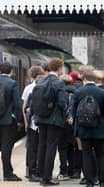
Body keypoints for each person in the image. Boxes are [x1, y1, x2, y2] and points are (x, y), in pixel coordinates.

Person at [33, 58, 67, 186]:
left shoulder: (40, 81)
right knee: (51, 148)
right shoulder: (59, 83)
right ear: (59, 69)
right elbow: (63, 103)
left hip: (41, 118)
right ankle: (47, 178)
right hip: (54, 120)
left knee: (42, 146)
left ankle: (41, 174)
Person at [0, 62, 23, 182]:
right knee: (6, 148)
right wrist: (19, 120)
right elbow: (17, 104)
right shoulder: (13, 83)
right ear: (11, 71)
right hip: (8, 121)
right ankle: (8, 174)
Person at [71, 70, 104, 187]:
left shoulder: (78, 92)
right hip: (100, 131)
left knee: (86, 155)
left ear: (84, 79)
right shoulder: (102, 92)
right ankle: (102, 181)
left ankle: (89, 181)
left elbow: (73, 113)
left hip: (83, 130)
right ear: (95, 80)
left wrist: (76, 132)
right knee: (101, 155)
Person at [22, 66, 44, 182]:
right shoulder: (45, 86)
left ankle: (31, 172)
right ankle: (39, 172)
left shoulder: (28, 88)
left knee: (32, 148)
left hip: (32, 123)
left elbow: (24, 107)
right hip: (43, 124)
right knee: (41, 148)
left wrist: (26, 122)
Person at [57, 75, 75, 181]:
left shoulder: (61, 93)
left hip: (62, 124)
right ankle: (72, 170)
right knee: (71, 148)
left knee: (62, 149)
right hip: (72, 124)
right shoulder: (76, 92)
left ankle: (63, 171)